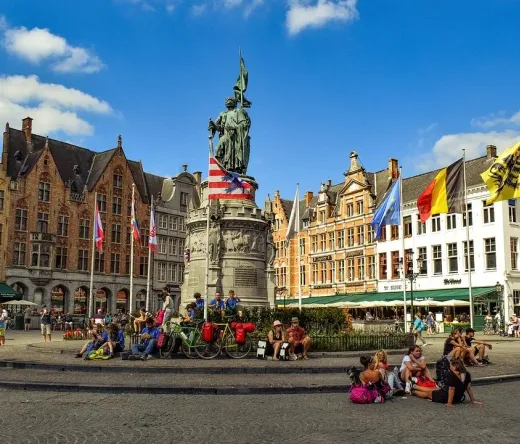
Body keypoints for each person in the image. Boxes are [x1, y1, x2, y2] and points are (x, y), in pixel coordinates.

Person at [412, 358, 482, 407]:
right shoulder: (467, 374)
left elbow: (452, 389)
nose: (450, 367)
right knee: (433, 391)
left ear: (454, 367)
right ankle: (415, 388)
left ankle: (414, 391)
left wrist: (449, 403)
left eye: (451, 366)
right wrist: (473, 400)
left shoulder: (452, 375)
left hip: (446, 396)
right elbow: (468, 388)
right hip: (458, 397)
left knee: (428, 395)